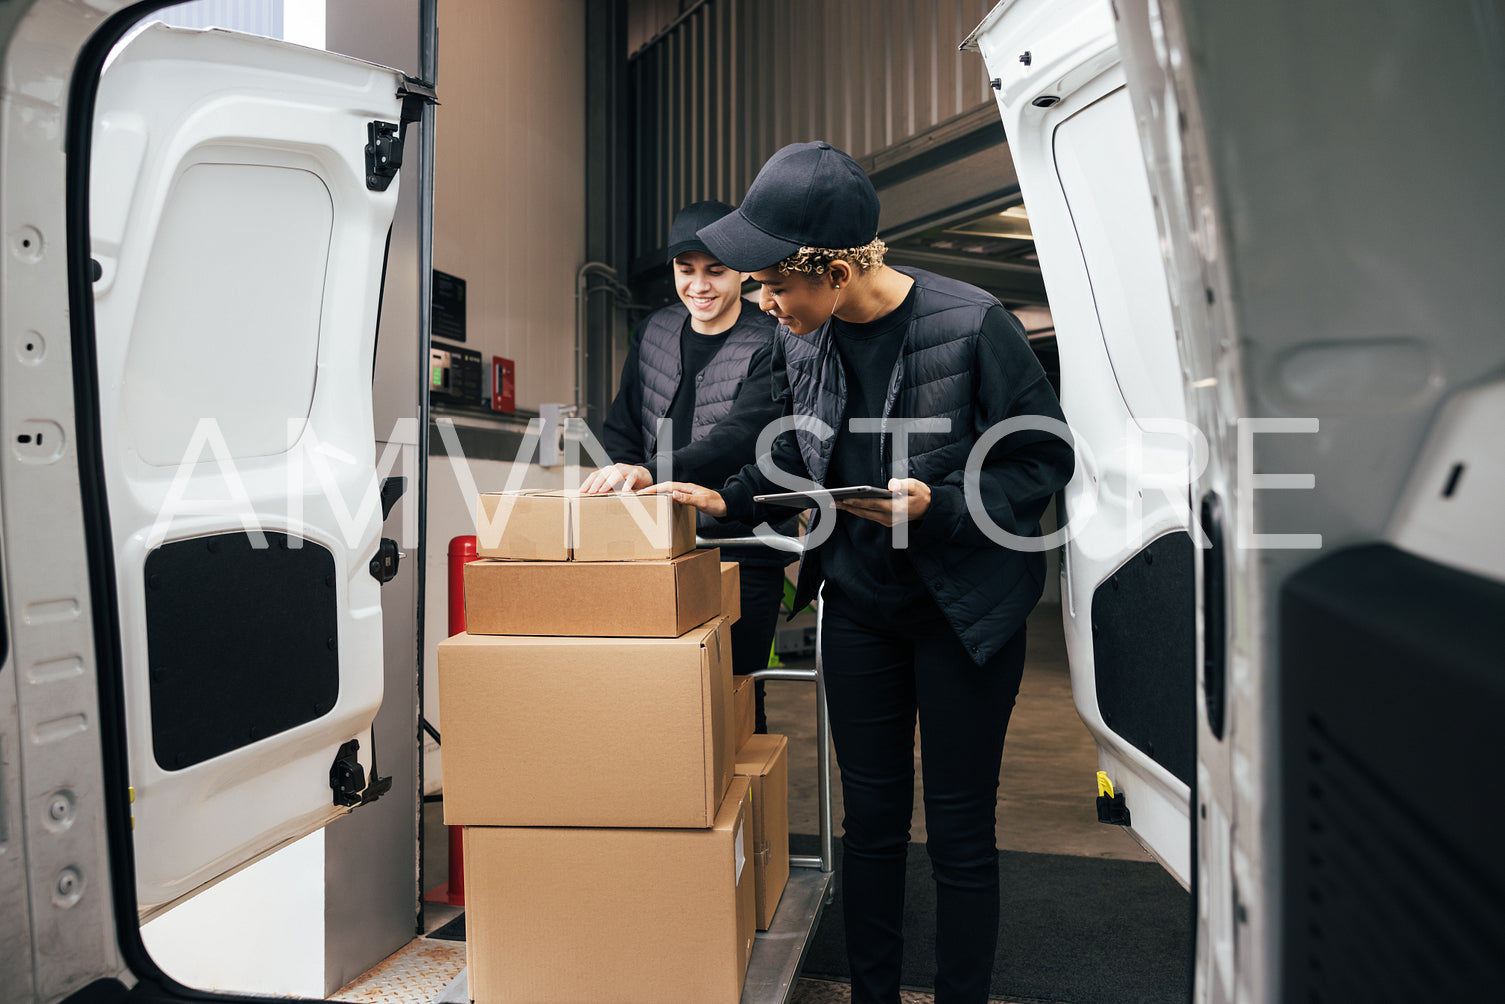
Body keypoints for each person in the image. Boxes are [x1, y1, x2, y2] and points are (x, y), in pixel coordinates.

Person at [645, 142, 1076, 1004]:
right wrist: (718, 494)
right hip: (859, 607)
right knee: (869, 828)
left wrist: (941, 503)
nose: (764, 304)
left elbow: (1041, 459)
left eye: (775, 286)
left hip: (965, 614)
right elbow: (773, 440)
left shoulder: (972, 321)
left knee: (958, 832)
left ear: (837, 270)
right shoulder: (803, 337)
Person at [582, 200, 796, 730]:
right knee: (663, 695)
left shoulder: (771, 337)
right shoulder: (655, 331)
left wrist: (652, 472)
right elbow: (623, 427)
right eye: (687, 269)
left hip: (744, 549)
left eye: (716, 270)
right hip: (661, 544)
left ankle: (743, 810)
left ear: (743, 271)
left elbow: (741, 436)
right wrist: (624, 480)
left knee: (735, 695)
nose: (699, 285)